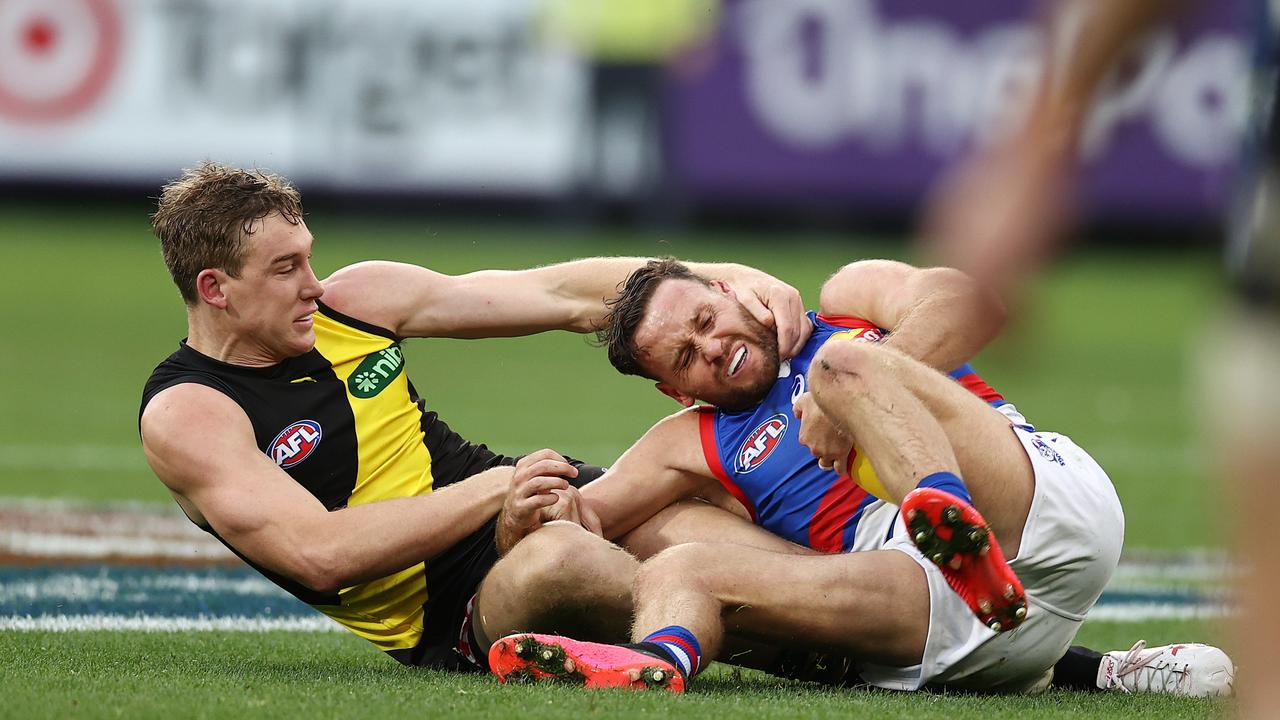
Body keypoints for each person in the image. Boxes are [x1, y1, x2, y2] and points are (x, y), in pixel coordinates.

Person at [137, 162, 807, 671]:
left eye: (309, 256)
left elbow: (560, 294)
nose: (313, 282)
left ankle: (880, 597)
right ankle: (817, 646)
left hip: (526, 496)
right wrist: (497, 489)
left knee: (699, 498)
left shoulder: (353, 304)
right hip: (458, 608)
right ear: (214, 289)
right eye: (286, 269)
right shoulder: (189, 412)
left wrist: (726, 280)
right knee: (563, 559)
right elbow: (320, 554)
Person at [489, 258, 1236, 696]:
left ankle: (947, 515)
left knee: (844, 367)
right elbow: (576, 533)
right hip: (936, 613)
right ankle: (655, 666)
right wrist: (521, 510)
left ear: (730, 290)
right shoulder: (687, 440)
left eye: (706, 320)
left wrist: (848, 394)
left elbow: (971, 303)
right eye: (685, 356)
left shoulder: (846, 303)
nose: (710, 347)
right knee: (677, 558)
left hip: (1027, 498)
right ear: (676, 390)